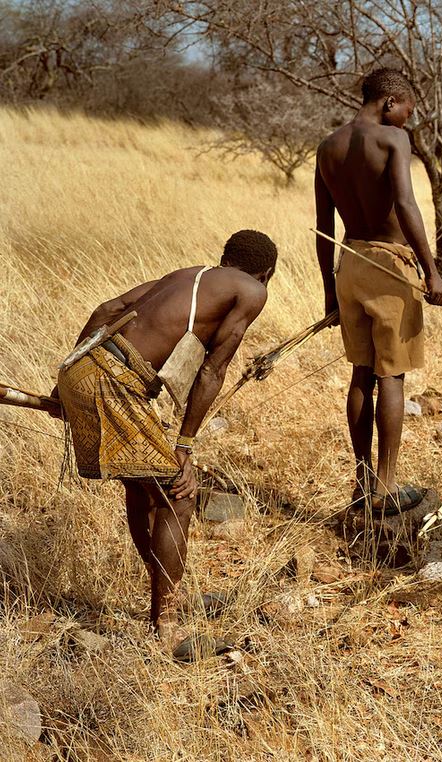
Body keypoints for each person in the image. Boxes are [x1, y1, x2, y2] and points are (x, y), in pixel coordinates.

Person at [54, 229, 277, 647]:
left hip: (85, 367)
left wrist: (67, 381)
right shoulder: (252, 290)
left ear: (225, 258)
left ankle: (164, 598)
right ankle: (167, 626)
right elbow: (213, 370)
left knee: (144, 490)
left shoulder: (190, 273)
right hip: (116, 382)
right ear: (267, 272)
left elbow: (109, 308)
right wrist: (185, 446)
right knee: (178, 493)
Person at [314, 67, 442, 515]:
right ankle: (386, 487)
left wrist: (330, 292)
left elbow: (323, 227)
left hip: (349, 264)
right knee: (391, 376)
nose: (408, 119)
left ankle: (362, 480)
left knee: (361, 374)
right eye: (408, 109)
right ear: (390, 102)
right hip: (390, 264)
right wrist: (431, 270)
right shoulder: (392, 139)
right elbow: (406, 204)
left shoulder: (327, 147)